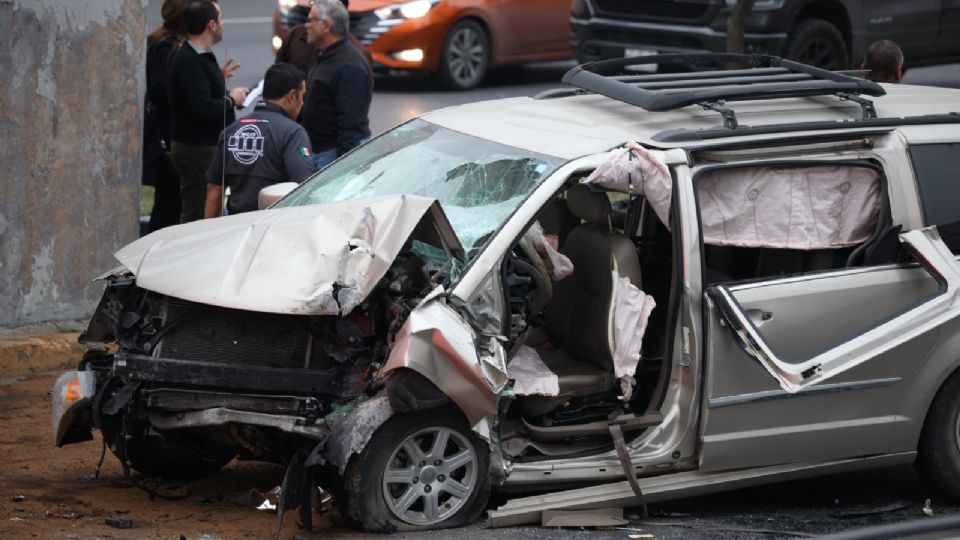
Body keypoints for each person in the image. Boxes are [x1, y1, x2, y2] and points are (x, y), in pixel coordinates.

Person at [168, 0, 248, 223]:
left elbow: (199, 95)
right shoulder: (190, 61)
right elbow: (202, 107)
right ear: (211, 24)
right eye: (221, 18)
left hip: (204, 146)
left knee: (206, 210)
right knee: (197, 213)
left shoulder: (199, 57)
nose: (223, 23)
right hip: (197, 149)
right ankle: (190, 255)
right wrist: (231, 99)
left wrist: (218, 82)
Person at [204, 63, 318, 217]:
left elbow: (214, 188)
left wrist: (213, 231)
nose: (302, 103)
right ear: (292, 96)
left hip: (235, 223)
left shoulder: (231, 130)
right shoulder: (293, 132)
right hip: (274, 226)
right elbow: (304, 186)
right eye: (302, 97)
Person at [300, 0, 372, 169]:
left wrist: (341, 171)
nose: (306, 25)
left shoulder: (349, 66)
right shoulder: (325, 55)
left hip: (332, 157)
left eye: (311, 20)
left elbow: (351, 125)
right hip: (319, 152)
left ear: (325, 26)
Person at [143, 0, 187, 233]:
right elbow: (161, 93)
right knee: (169, 207)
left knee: (168, 204)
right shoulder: (167, 47)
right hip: (166, 143)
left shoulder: (164, 43)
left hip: (164, 140)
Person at [275, 0, 372, 75]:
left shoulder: (357, 56)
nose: (307, 24)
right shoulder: (294, 36)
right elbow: (275, 78)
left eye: (319, 5)